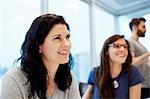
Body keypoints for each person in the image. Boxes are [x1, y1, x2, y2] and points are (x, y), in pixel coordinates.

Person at [1, 14, 81, 99]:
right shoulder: (14, 79)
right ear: (39, 46)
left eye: (67, 37)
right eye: (57, 38)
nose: (67, 44)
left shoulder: (68, 78)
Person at [82, 35, 144, 99]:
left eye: (125, 47)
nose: (123, 49)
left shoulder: (133, 72)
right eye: (117, 46)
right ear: (106, 51)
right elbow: (90, 92)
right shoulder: (95, 72)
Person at [128, 17, 150, 88]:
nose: (145, 29)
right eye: (143, 27)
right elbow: (132, 62)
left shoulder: (140, 44)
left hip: (147, 84)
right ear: (135, 28)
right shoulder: (130, 42)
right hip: (141, 85)